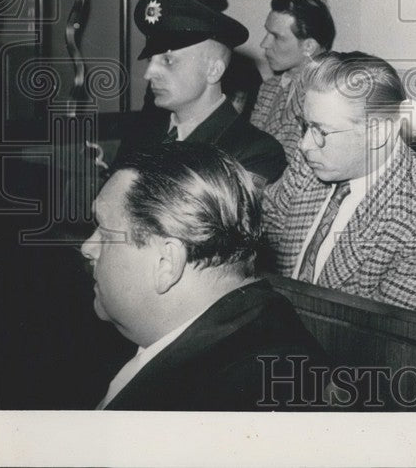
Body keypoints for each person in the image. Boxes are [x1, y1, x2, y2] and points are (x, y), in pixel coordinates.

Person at [81, 143, 329, 411]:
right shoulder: (242, 328)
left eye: (105, 233)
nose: (87, 248)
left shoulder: (243, 392)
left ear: (166, 262)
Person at [261, 51, 416, 315]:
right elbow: (266, 231)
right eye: (305, 126)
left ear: (378, 131)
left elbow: (381, 342)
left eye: (321, 131)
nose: (304, 144)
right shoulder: (311, 163)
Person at [114, 0, 286, 191]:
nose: (149, 73)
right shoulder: (143, 134)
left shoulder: (253, 152)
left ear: (214, 70)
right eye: (151, 60)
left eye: (168, 60)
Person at [251, 0, 336, 158]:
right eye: (267, 33)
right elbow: (248, 148)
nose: (264, 44)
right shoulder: (270, 87)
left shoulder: (332, 93)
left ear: (309, 47)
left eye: (276, 37)